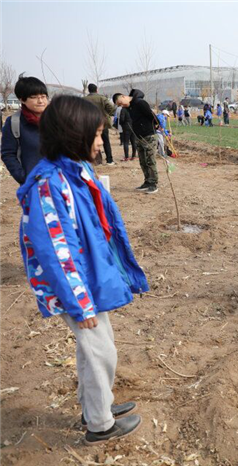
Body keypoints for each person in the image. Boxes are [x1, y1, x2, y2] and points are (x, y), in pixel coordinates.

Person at [17, 95, 147, 443]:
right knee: (100, 349)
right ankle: (100, 425)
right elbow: (57, 252)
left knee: (93, 347)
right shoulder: (49, 185)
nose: (100, 141)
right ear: (73, 135)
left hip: (87, 277)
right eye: (96, 134)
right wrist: (79, 301)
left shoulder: (76, 170)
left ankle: (96, 406)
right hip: (74, 286)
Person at [1, 76, 48, 184]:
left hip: (61, 183)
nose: (40, 101)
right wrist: (24, 178)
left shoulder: (57, 119)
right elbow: (8, 154)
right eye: (34, 97)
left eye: (43, 96)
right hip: (33, 185)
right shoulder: (14, 122)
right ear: (22, 99)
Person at [113, 90, 159, 194]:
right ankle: (147, 181)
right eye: (119, 105)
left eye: (120, 103)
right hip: (138, 136)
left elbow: (151, 115)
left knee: (150, 160)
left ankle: (153, 183)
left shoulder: (140, 103)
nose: (121, 105)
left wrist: (157, 125)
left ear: (123, 96)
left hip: (148, 135)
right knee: (142, 161)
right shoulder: (129, 107)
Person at [84, 84, 117, 166]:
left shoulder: (84, 99)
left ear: (88, 90)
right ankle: (109, 160)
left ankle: (97, 161)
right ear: (97, 90)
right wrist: (106, 114)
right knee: (106, 141)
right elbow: (112, 108)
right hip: (103, 123)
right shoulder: (102, 98)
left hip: (90, 124)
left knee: (93, 142)